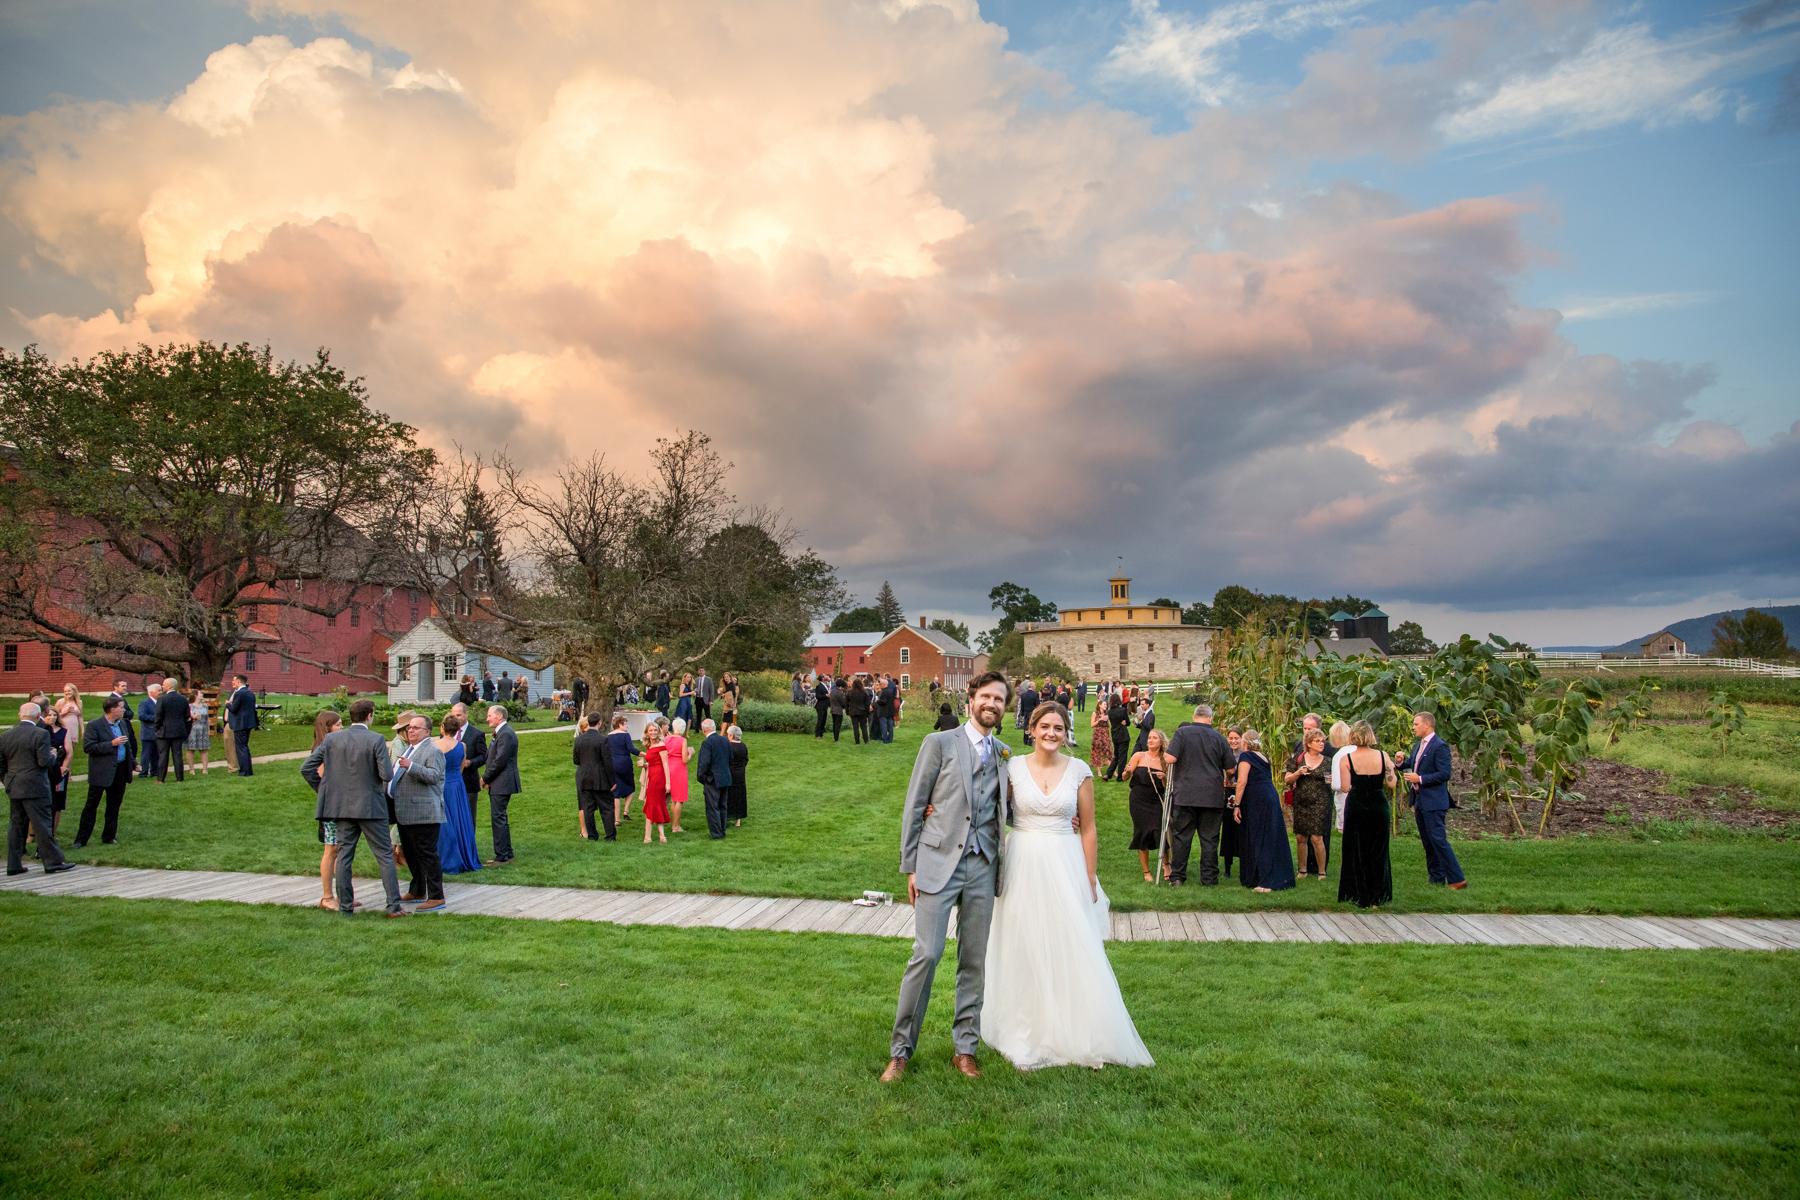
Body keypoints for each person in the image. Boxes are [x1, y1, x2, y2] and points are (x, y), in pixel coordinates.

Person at [980, 700, 1153, 1071]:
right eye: (1045, 727)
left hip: (1065, 860)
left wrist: (1089, 876)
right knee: (1022, 943)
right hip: (1021, 859)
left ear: (1066, 732)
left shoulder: (1079, 771)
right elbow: (992, 813)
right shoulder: (1011, 768)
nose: (1051, 734)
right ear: (1031, 729)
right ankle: (1025, 1028)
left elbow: (1088, 828)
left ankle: (1076, 1028)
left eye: (1058, 728)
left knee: (1069, 941)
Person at [883, 672, 1013, 1083]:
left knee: (973, 961)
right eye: (987, 696)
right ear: (971, 699)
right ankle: (900, 1052)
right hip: (937, 864)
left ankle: (965, 1050)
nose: (993, 704)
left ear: (1005, 708)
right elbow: (915, 803)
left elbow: (1012, 806)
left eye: (1000, 699)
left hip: (982, 865)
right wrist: (911, 866)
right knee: (927, 955)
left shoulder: (1005, 754)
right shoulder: (938, 743)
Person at [303, 699, 404, 917]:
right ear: (369, 715)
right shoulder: (376, 739)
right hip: (371, 807)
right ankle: (394, 907)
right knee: (385, 856)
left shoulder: (331, 739)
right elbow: (387, 774)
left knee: (345, 856)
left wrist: (324, 790)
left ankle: (346, 908)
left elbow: (307, 767)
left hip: (340, 807)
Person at [1161, 704, 1235, 885]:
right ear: (1210, 719)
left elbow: (1169, 758)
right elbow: (1231, 767)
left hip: (1186, 794)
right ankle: (1209, 879)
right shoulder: (1219, 737)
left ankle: (1177, 877)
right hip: (1212, 795)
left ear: (1194, 717)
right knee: (1209, 839)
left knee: (1181, 837)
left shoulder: (1182, 734)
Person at [1395, 711, 1465, 889]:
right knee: (1428, 841)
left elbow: (1445, 773)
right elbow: (1414, 763)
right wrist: (1400, 763)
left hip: (1434, 801)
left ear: (1427, 725)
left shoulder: (1439, 746)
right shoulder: (1419, 745)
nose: (1413, 727)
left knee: (1438, 840)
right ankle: (1436, 878)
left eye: (1416, 724)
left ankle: (1457, 880)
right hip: (1420, 800)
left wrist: (1421, 779)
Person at [4, 703, 73, 875]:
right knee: (42, 825)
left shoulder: (6, 735)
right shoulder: (40, 734)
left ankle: (13, 864)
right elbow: (43, 762)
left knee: (16, 825)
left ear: (20, 715)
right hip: (35, 786)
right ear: (38, 717)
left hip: (15, 785)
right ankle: (52, 862)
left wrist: (8, 781)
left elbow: (1, 764)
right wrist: (53, 756)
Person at [388, 714, 447, 911]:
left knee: (427, 854)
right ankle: (417, 889)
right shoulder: (409, 749)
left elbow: (434, 776)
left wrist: (411, 766)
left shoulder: (432, 750)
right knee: (411, 854)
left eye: (415, 728)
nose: (410, 730)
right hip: (406, 811)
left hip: (424, 812)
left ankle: (436, 896)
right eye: (409, 728)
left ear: (427, 732)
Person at [1336, 721, 1395, 907]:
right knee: (1378, 850)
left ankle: (1360, 895)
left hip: (1357, 804)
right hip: (1378, 804)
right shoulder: (1383, 756)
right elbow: (1391, 783)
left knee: (1357, 849)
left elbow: (1345, 787)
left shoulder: (1347, 759)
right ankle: (1377, 897)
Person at [1230, 729, 1296, 893]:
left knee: (1259, 836)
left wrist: (1236, 805)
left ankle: (1266, 880)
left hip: (1257, 798)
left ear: (1244, 743)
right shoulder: (1264, 757)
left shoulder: (1246, 756)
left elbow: (1242, 781)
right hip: (1270, 796)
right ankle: (1261, 875)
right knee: (1269, 834)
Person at [76, 696, 136, 848]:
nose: (124, 710)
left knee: (114, 806)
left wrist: (134, 763)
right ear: (112, 709)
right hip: (101, 771)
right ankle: (81, 839)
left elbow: (126, 746)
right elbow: (89, 747)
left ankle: (109, 836)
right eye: (122, 708)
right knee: (91, 805)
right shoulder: (95, 725)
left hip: (120, 770)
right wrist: (111, 744)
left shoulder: (122, 724)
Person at [306, 711, 346, 908]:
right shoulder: (324, 750)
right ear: (327, 728)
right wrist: (323, 792)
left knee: (340, 849)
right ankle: (328, 897)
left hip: (341, 805)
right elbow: (322, 777)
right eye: (338, 725)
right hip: (332, 807)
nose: (342, 728)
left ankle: (343, 893)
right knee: (331, 849)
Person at [1284, 729, 1333, 880]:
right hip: (1301, 802)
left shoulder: (1328, 761)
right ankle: (1302, 870)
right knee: (1300, 837)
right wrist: (1298, 773)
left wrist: (1332, 781)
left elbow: (1337, 782)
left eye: (1322, 741)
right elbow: (1287, 780)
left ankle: (1321, 871)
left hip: (1321, 802)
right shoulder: (1298, 759)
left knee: (1317, 837)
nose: (1321, 744)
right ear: (1309, 743)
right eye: (1317, 741)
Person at [1124, 728, 1171, 883]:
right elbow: (1125, 777)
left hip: (1155, 800)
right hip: (1138, 800)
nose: (1150, 740)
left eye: (1154, 738)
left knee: (1159, 831)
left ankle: (1166, 864)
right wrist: (1128, 772)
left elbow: (1167, 787)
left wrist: (1163, 777)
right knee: (1142, 832)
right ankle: (1146, 871)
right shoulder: (1139, 756)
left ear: (1161, 742)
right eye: (1149, 738)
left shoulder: (1165, 760)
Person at [480, 704, 521, 864]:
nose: (487, 718)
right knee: (500, 818)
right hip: (499, 782)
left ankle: (502, 856)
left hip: (502, 782)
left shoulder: (506, 734)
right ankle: (507, 854)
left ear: (499, 716)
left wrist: (485, 778)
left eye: (490, 715)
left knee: (498, 818)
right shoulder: (502, 733)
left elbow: (499, 762)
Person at [572, 712, 617, 842]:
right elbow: (607, 762)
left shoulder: (579, 739)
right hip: (600, 779)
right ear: (599, 723)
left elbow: (576, 760)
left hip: (584, 777)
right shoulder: (603, 740)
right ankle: (610, 835)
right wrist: (612, 781)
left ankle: (592, 835)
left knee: (588, 808)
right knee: (606, 808)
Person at [450, 701, 487, 827]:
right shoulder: (447, 732)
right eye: (453, 715)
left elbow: (483, 756)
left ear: (466, 714)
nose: (456, 718)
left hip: (468, 782)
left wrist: (470, 763)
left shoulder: (477, 734)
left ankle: (469, 845)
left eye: (459, 715)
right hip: (450, 783)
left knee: (468, 819)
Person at [696, 719, 733, 839]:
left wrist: (702, 777)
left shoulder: (707, 743)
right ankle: (722, 829)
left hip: (712, 779)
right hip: (725, 777)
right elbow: (731, 758)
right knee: (723, 805)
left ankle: (717, 834)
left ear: (703, 730)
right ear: (715, 727)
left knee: (712, 807)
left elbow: (704, 763)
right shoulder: (725, 740)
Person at [641, 720, 671, 843]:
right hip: (652, 776)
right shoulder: (649, 746)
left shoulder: (661, 745)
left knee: (651, 805)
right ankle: (661, 836)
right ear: (647, 733)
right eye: (650, 730)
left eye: (655, 730)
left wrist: (668, 783)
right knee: (655, 805)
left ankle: (648, 837)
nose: (653, 732)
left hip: (658, 778)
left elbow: (665, 764)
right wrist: (645, 765)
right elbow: (653, 762)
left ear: (658, 731)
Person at [607, 715, 639, 829]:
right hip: (625, 763)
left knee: (615, 791)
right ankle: (626, 810)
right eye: (625, 724)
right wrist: (644, 754)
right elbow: (631, 749)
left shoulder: (608, 736)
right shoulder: (625, 735)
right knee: (631, 786)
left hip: (612, 764)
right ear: (620, 725)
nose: (627, 726)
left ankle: (616, 819)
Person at [665, 717, 694, 832]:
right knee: (679, 799)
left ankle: (673, 824)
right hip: (679, 770)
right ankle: (675, 826)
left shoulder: (667, 738)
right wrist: (690, 753)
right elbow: (684, 760)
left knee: (673, 798)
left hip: (668, 767)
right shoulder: (682, 740)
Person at [225, 674, 257, 776]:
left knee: (240, 748)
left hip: (240, 724)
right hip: (248, 723)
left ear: (239, 681)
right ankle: (248, 770)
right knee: (245, 747)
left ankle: (244, 771)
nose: (233, 683)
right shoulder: (250, 693)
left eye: (234, 681)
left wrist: (227, 704)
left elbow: (234, 709)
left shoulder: (239, 693)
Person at [1328, 720, 1353, 837]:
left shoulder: (1339, 756)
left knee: (1348, 834)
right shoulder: (1357, 750)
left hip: (1345, 798)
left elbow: (1337, 784)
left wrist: (1331, 780)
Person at [1101, 692, 1131, 782]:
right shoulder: (1122, 710)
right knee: (1122, 757)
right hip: (1123, 734)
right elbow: (1128, 722)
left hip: (1115, 734)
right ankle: (1120, 777)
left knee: (1116, 756)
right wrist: (1125, 722)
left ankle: (1108, 774)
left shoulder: (1109, 712)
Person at [183, 685, 212, 776]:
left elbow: (207, 719)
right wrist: (193, 717)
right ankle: (191, 769)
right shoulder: (189, 706)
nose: (201, 694)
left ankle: (205, 769)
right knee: (191, 750)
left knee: (204, 749)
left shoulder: (204, 706)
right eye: (200, 693)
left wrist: (208, 730)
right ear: (195, 695)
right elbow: (186, 719)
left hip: (203, 729)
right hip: (192, 730)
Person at [137, 684, 162, 779]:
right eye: (158, 691)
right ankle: (143, 772)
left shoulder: (160, 702)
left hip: (158, 732)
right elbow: (142, 716)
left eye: (160, 690)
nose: (160, 693)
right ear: (151, 692)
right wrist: (157, 718)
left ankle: (154, 771)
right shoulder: (145, 703)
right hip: (148, 732)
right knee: (146, 754)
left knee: (156, 754)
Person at [725, 725, 748, 827]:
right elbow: (746, 760)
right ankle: (738, 820)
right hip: (740, 774)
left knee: (728, 795)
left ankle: (726, 816)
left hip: (730, 773)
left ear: (731, 735)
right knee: (739, 795)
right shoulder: (743, 746)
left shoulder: (728, 746)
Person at [847, 677, 872, 745]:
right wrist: (867, 713)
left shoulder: (849, 692)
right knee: (863, 727)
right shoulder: (864, 692)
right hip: (862, 711)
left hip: (853, 711)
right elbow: (867, 703)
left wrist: (847, 712)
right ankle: (866, 740)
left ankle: (857, 741)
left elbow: (846, 703)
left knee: (855, 727)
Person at [1016, 678, 1040, 746]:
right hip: (1033, 712)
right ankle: (1030, 741)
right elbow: (1037, 705)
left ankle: (1025, 740)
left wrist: (1022, 713)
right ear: (1032, 687)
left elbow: (1022, 704)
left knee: (1026, 726)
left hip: (1026, 712)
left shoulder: (1023, 695)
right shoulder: (1036, 695)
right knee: (1032, 726)